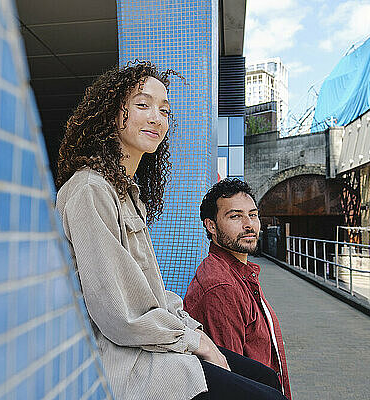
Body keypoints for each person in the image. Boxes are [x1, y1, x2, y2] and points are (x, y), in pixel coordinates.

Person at [55, 61, 287, 400]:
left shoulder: (126, 193)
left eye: (164, 110)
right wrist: (197, 342)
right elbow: (121, 315)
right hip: (126, 361)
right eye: (142, 104)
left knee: (267, 378)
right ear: (110, 113)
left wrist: (194, 333)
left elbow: (153, 294)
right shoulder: (90, 189)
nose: (156, 117)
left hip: (148, 346)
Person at [184, 179, 292, 399]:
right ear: (211, 226)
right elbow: (230, 381)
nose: (249, 224)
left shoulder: (240, 274)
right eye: (235, 216)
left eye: (252, 215)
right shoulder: (221, 287)